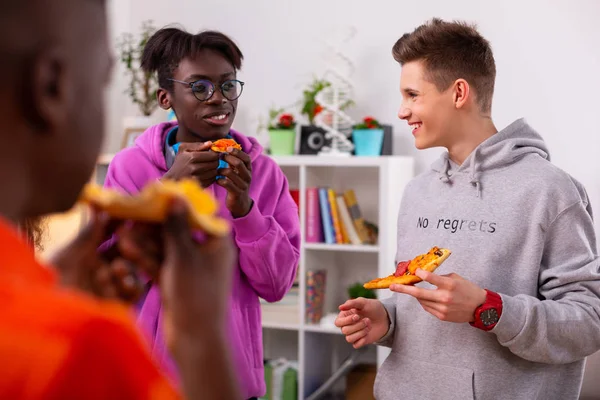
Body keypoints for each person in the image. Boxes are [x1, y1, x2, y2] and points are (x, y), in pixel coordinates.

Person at [335, 18, 600, 400]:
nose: (401, 111)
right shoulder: (417, 192)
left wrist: (489, 310)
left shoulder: (550, 189)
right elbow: (423, 302)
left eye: (412, 95)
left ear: (459, 92)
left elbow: (589, 322)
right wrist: (390, 318)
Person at [0, 0, 240, 399]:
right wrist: (202, 340)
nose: (217, 99)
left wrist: (57, 291)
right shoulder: (80, 344)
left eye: (227, 84)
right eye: (102, 81)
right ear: (51, 86)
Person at [102, 26, 301, 399]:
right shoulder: (129, 168)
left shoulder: (264, 173)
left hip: (232, 382)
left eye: (227, 85)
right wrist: (167, 193)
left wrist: (245, 210)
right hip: (148, 381)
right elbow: (111, 278)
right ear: (166, 97)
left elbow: (276, 286)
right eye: (199, 87)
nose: (218, 99)